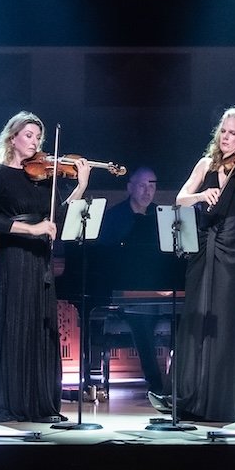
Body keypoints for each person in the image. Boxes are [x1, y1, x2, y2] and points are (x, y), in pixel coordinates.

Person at [159, 108, 235, 423]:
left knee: (224, 324)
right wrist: (201, 195)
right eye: (223, 132)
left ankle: (219, 402)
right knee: (196, 321)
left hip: (233, 249)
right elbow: (181, 198)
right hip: (202, 246)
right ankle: (188, 395)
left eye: (234, 134)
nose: (226, 138)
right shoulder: (206, 163)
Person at [0, 113, 90, 424]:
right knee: (16, 323)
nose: (35, 142)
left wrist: (80, 187)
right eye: (29, 135)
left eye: (38, 137)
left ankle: (38, 403)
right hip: (13, 256)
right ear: (12, 137)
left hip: (40, 258)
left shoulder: (43, 175)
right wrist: (32, 230)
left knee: (41, 326)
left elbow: (57, 217)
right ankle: (11, 401)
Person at [75, 165, 168, 400]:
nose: (147, 191)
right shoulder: (114, 217)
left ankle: (182, 384)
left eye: (152, 185)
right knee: (140, 316)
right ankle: (156, 385)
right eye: (142, 185)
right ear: (130, 188)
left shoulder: (162, 216)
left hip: (157, 291)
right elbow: (103, 258)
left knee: (183, 313)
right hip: (121, 293)